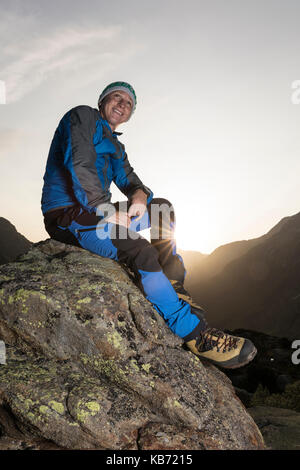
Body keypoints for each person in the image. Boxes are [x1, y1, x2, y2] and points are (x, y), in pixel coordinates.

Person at [41, 81, 257, 369]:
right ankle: (195, 335)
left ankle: (172, 282)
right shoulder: (82, 116)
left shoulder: (116, 146)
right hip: (68, 214)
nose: (122, 105)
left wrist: (140, 196)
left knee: (162, 209)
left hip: (97, 209)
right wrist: (104, 210)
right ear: (102, 101)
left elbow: (131, 180)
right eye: (116, 98)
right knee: (140, 250)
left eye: (129, 103)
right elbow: (79, 162)